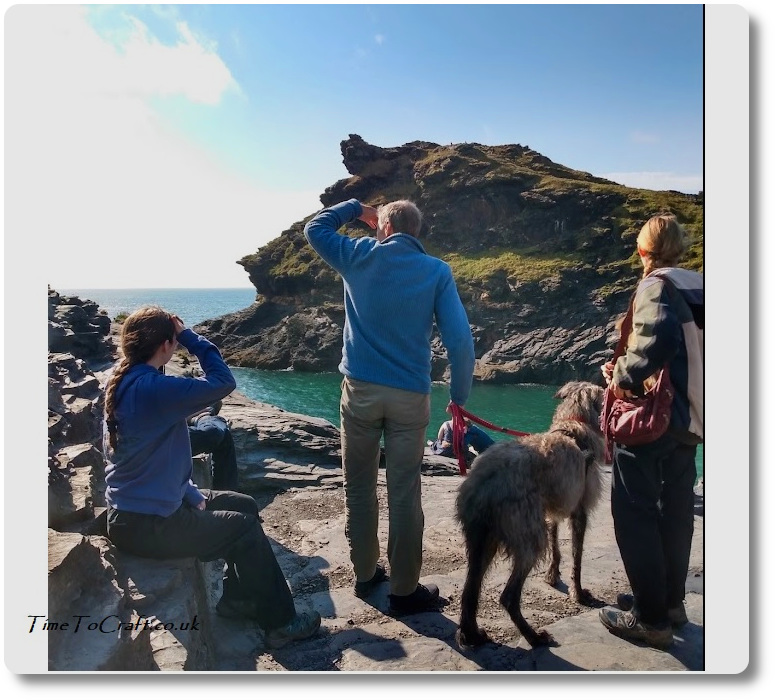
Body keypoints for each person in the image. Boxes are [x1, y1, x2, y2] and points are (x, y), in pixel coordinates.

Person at [102, 306, 320, 648]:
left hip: (139, 514)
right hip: (150, 525)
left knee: (242, 505)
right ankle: (282, 623)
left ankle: (238, 600)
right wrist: (190, 337)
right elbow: (223, 382)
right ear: (165, 344)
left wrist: (190, 494)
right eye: (173, 341)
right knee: (244, 528)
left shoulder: (126, 381)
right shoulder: (154, 388)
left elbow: (152, 460)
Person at [304, 198, 475, 615]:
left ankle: (365, 574)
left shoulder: (356, 255)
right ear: (416, 232)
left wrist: (355, 208)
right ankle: (403, 590)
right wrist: (459, 397)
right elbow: (460, 341)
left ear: (381, 228)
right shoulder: (436, 270)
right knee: (404, 492)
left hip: (359, 392)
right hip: (409, 397)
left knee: (359, 486)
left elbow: (315, 228)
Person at [598, 214, 703, 650]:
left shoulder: (657, 284)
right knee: (676, 510)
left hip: (656, 418)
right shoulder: (699, 282)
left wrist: (619, 376)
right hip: (694, 418)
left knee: (634, 509)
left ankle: (650, 617)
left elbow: (654, 344)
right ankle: (669, 602)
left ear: (643, 250)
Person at [188, 400, 239, 491]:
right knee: (213, 433)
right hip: (160, 437)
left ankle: (226, 498)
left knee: (222, 436)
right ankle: (204, 418)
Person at [429, 417, 494, 461]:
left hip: (488, 450)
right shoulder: (473, 428)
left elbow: (462, 445)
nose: (460, 429)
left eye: (462, 428)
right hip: (489, 446)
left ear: (467, 427)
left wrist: (448, 444)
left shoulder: (471, 434)